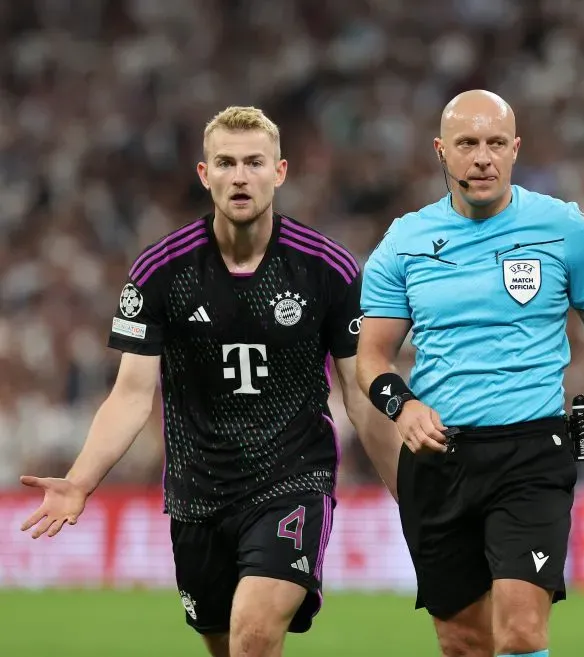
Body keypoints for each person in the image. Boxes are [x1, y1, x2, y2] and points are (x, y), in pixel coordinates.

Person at [18, 106, 401, 657]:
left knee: (252, 634)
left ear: (280, 171)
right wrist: (79, 482)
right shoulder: (160, 271)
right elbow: (129, 396)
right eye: (225, 162)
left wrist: (408, 500)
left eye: (253, 162)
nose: (240, 176)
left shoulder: (327, 268)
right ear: (205, 174)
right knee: (226, 647)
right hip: (197, 495)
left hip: (292, 481)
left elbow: (361, 398)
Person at [356, 89, 584, 657]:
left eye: (495, 143)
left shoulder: (563, 229)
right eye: (467, 144)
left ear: (515, 149)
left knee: (521, 632)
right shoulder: (403, 242)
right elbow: (372, 357)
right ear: (441, 153)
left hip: (531, 453)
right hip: (437, 458)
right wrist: (403, 404)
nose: (482, 158)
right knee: (464, 642)